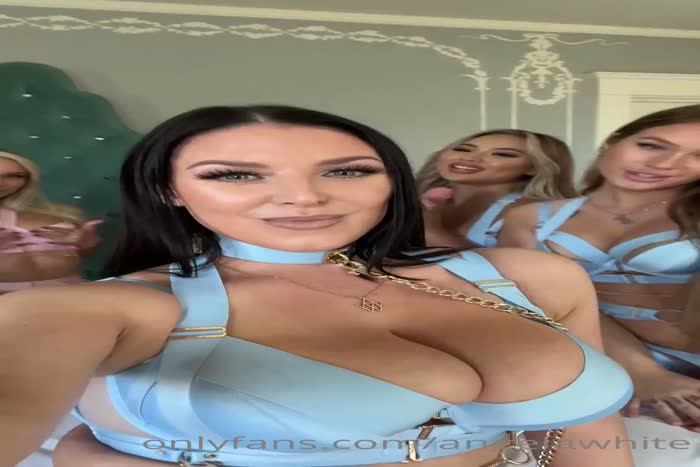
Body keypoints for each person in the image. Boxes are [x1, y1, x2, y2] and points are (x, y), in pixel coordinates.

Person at [1, 105, 633, 467]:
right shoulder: (110, 307)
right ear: (169, 190)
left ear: (391, 181)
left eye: (348, 171)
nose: (303, 197)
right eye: (236, 175)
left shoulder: (529, 276)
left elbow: (586, 437)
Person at [497, 105, 700, 432]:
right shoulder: (529, 218)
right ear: (612, 142)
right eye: (651, 145)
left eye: (697, 157)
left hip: (686, 371)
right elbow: (533, 302)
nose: (664, 164)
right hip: (583, 360)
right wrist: (642, 372)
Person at [415, 130, 577, 248]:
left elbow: (522, 275)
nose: (469, 158)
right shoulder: (423, 201)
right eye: (462, 149)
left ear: (533, 168)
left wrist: (433, 234)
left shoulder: (534, 213)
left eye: (502, 154)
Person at [0, 151, 102, 294]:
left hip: (75, 295)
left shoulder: (59, 213)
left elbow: (82, 254)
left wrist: (86, 245)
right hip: (10, 303)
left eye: (14, 176)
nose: (1, 183)